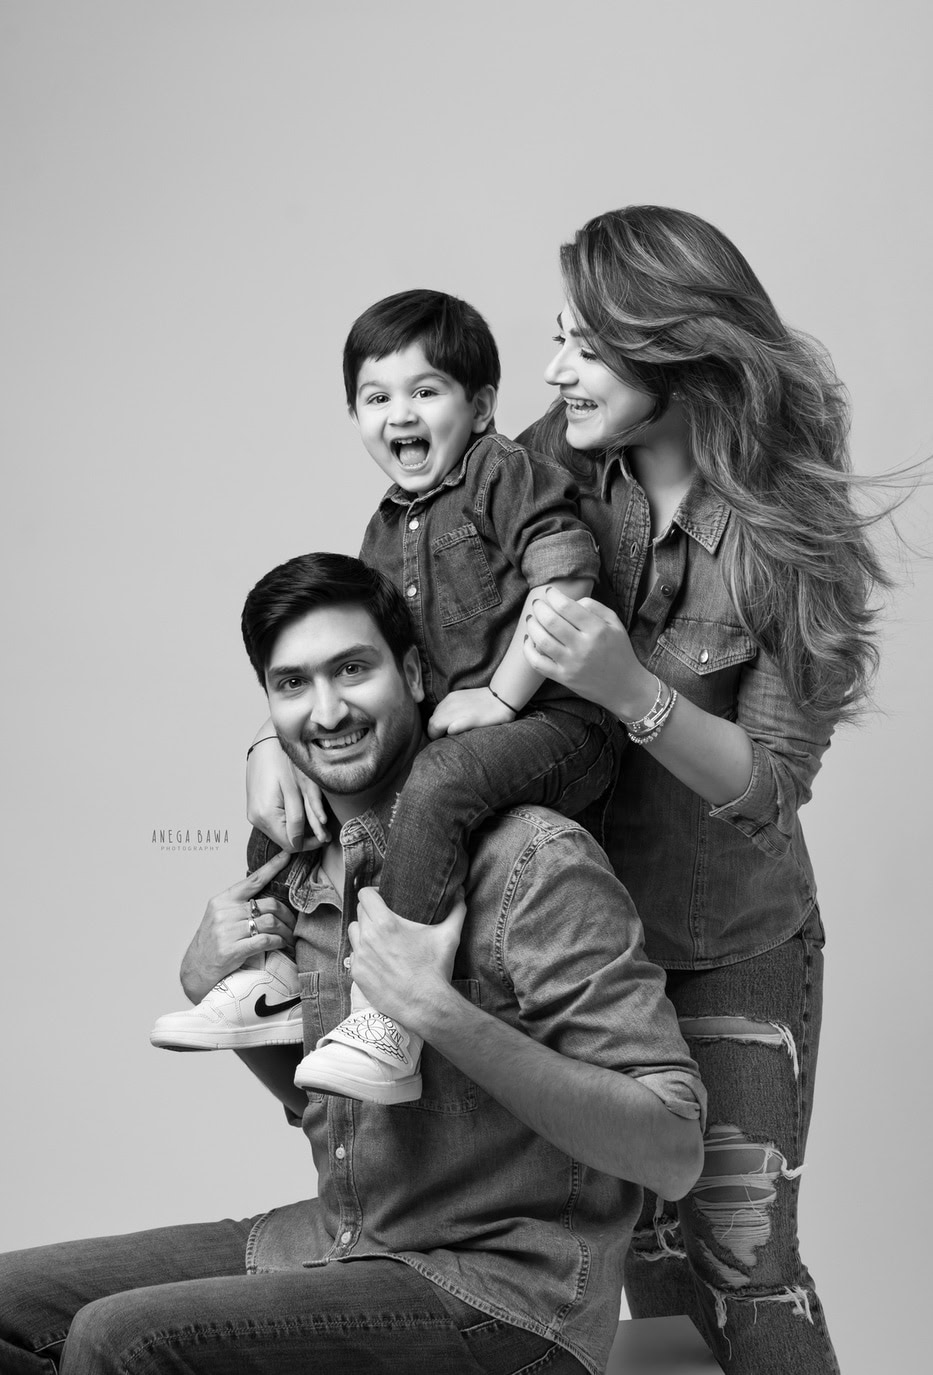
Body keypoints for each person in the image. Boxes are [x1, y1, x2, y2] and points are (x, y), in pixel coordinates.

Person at [0, 553, 706, 1375]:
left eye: (352, 670)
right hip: (335, 1239)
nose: (326, 709)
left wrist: (435, 1010)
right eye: (292, 683)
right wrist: (214, 993)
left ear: (410, 673)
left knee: (123, 1342)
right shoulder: (301, 867)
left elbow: (671, 1149)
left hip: (507, 1296)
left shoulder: (532, 861)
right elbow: (336, 1113)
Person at [513, 205, 890, 1375]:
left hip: (735, 946)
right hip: (589, 948)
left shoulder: (789, 536)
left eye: (584, 344)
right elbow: (417, 578)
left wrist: (634, 691)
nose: (555, 368)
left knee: (744, 1266)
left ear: (673, 350)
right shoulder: (566, 469)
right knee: (644, 1266)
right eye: (556, 337)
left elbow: (773, 787)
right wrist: (274, 737)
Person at [151, 289, 621, 1106]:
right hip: (468, 733)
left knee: (436, 784)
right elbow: (370, 651)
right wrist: (277, 737)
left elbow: (567, 575)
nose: (399, 413)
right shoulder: (385, 526)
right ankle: (271, 978)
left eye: (424, 391)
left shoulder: (500, 472)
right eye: (376, 398)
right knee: (304, 796)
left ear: (479, 407)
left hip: (559, 724)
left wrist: (503, 700)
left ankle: (389, 1014)